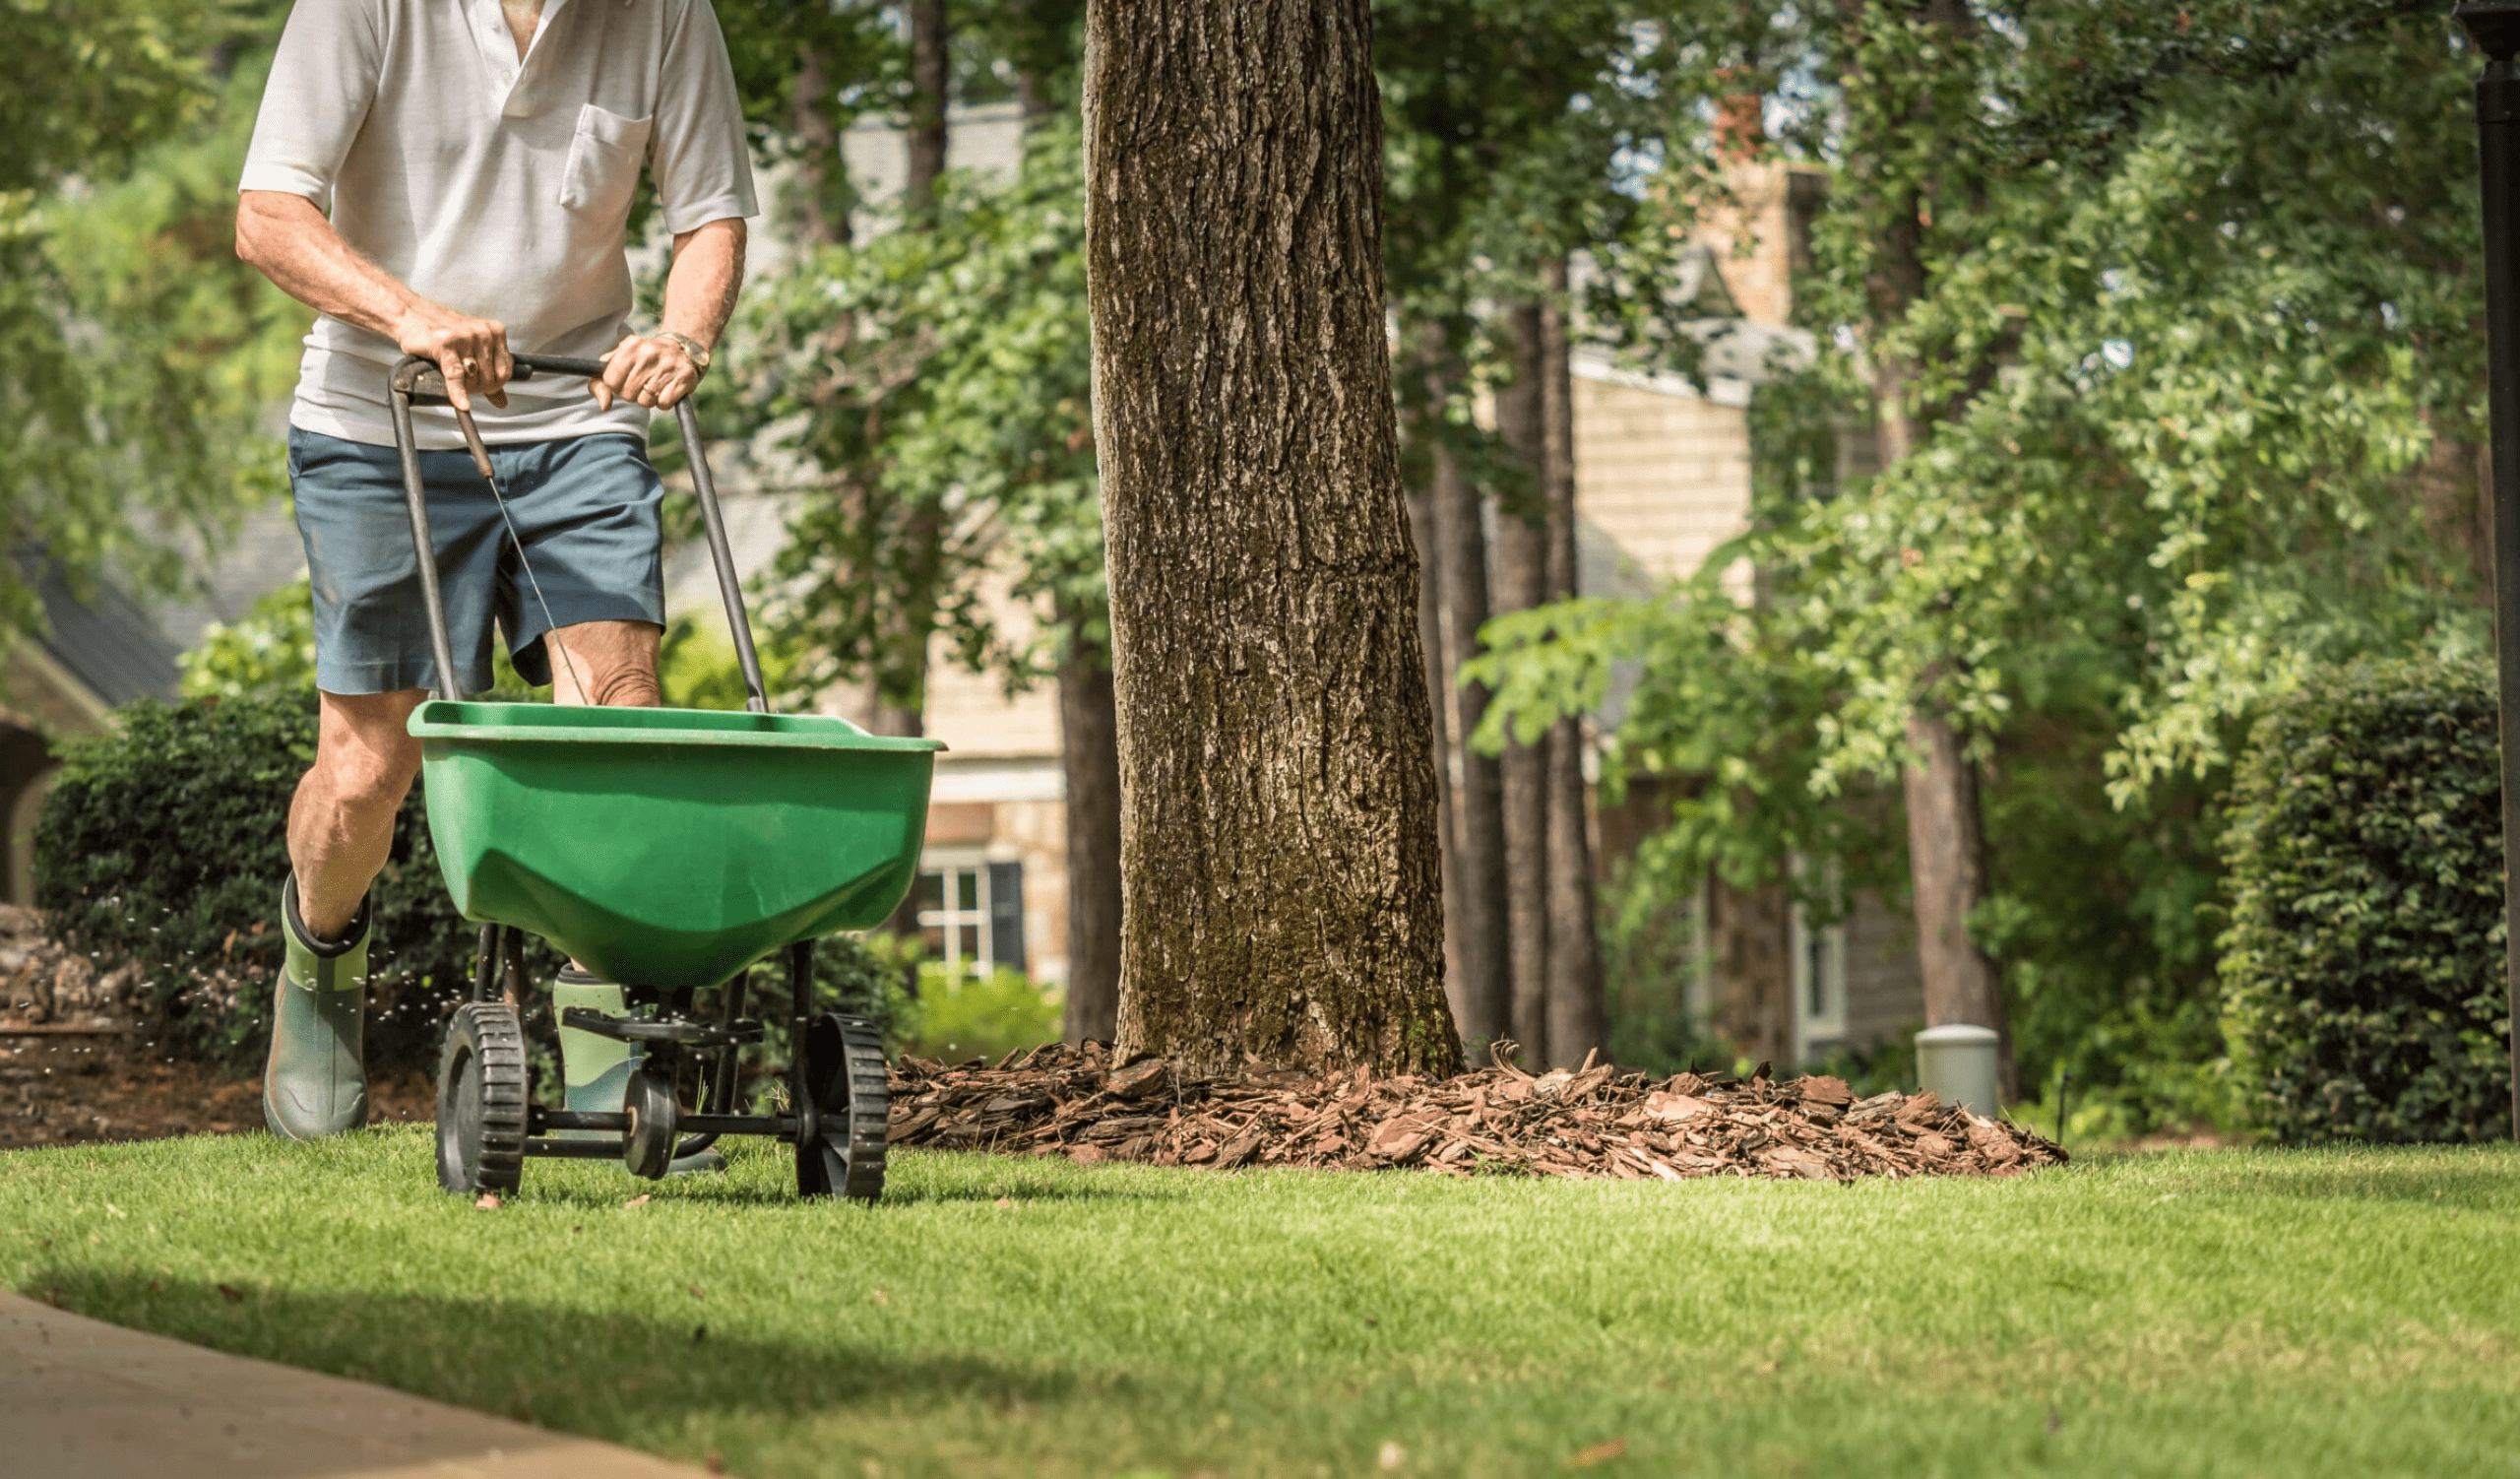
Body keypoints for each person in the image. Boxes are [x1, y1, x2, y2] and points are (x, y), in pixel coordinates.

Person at [233, 0, 756, 1143]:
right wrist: (412, 312)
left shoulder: (665, 14)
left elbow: (711, 213)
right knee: (370, 766)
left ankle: (606, 1037)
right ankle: (321, 956)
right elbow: (269, 217)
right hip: (380, 422)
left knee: (614, 725)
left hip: (580, 416)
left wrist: (682, 334)